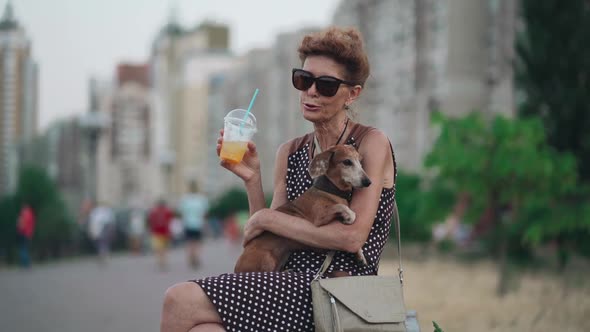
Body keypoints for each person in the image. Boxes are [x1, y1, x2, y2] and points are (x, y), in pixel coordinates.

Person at [160, 26, 397, 332]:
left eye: (325, 85)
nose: (310, 91)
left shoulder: (369, 142)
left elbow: (351, 238)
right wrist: (252, 180)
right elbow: (269, 234)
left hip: (340, 291)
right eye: (303, 80)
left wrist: (266, 220)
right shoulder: (291, 151)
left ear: (352, 93)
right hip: (284, 279)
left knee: (179, 300)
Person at [178, 181, 209, 269]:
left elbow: (181, 213)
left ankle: (190, 258)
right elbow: (205, 214)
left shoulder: (185, 199)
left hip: (187, 224)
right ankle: (196, 257)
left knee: (189, 243)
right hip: (198, 224)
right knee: (197, 243)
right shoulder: (202, 199)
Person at [148, 199, 174, 271]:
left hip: (156, 233)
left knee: (158, 249)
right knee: (164, 249)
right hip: (165, 232)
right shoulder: (168, 211)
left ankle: (159, 261)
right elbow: (170, 222)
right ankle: (164, 261)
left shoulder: (153, 212)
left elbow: (151, 222)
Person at [16, 204, 36, 268]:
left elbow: (20, 224)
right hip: (28, 233)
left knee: (23, 248)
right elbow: (32, 224)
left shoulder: (23, 214)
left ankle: (25, 263)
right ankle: (26, 263)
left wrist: (19, 230)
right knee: (25, 248)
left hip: (23, 233)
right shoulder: (30, 214)